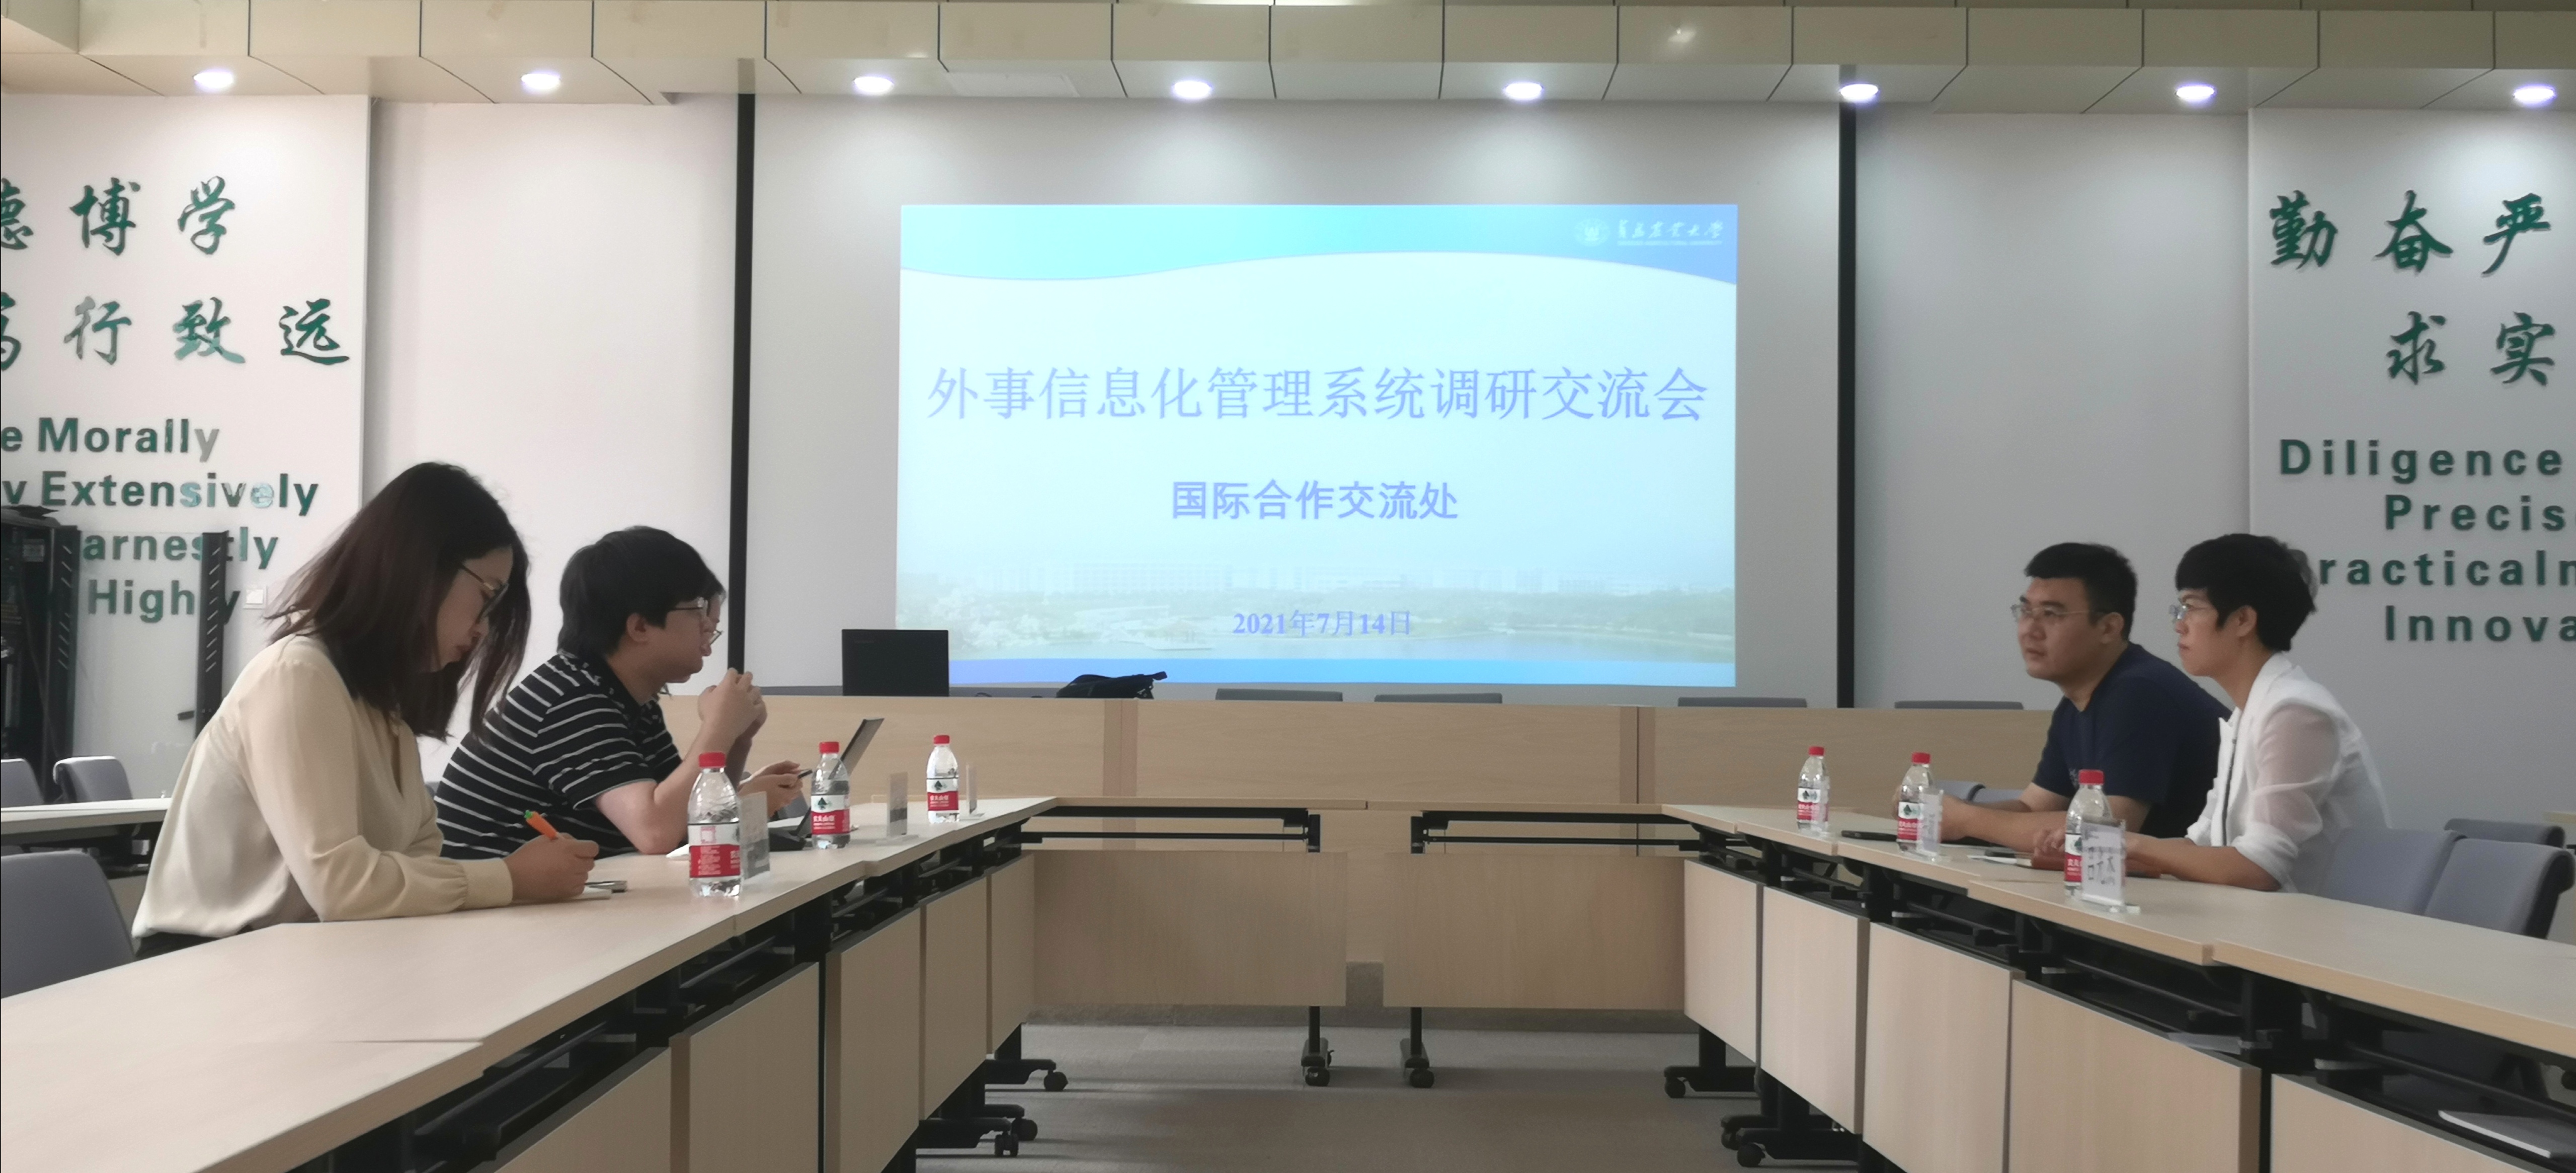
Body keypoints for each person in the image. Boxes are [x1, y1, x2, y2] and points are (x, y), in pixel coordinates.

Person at [133, 464, 597, 956]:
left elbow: (419, 858)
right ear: (419, 567)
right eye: (486, 597)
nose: (484, 629)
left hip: (302, 957)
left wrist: (492, 881)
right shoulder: (299, 674)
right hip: (209, 965)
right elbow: (340, 885)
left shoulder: (381, 705)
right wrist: (509, 878)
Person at [2047, 534, 2390, 891]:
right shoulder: (2246, 714)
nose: (2179, 624)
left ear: (2242, 620)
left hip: (2330, 922)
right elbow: (2201, 845)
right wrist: (2096, 847)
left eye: (2191, 607)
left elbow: (2260, 868)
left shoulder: (2295, 712)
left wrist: (2130, 843)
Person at [435, 527, 802, 859]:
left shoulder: (628, 698)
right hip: (495, 903)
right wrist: (719, 727)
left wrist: (737, 738)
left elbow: (686, 818)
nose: (709, 629)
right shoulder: (572, 699)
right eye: (698, 611)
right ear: (640, 627)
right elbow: (656, 833)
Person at [1936, 542, 2228, 846]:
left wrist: (1968, 819)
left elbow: (2106, 831)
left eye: (2050, 614)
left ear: (2108, 628)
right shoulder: (2075, 703)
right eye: (2026, 611)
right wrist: (1943, 814)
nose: (2030, 630)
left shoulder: (2140, 693)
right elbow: (2033, 808)